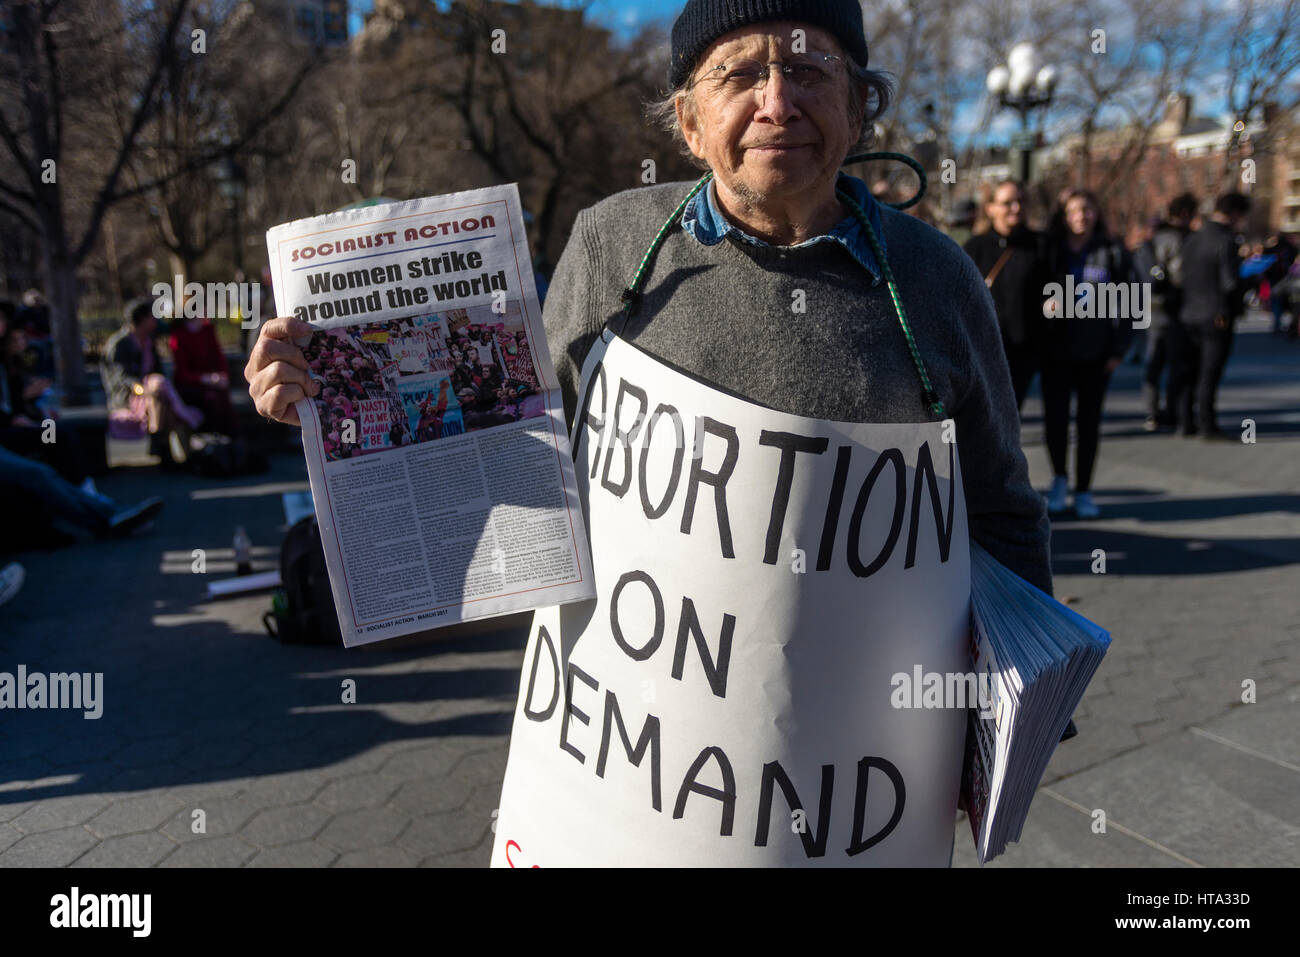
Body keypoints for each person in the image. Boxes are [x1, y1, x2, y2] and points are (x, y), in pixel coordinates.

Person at [245, 0, 1053, 866]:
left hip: (846, 808)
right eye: (740, 73)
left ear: (859, 109)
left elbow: (999, 512)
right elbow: (517, 451)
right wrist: (331, 409)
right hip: (629, 784)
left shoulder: (937, 279)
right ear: (689, 122)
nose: (778, 101)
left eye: (811, 69)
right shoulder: (612, 243)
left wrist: (1011, 723)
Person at [1040, 188, 1135, 519]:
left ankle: (1084, 490)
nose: (1082, 215)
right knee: (1055, 421)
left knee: (1089, 424)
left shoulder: (1112, 251)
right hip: (1056, 353)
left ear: (1097, 213)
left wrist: (1119, 349)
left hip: (1097, 355)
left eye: (1088, 209)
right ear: (1064, 216)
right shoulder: (1050, 250)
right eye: (1075, 210)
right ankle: (1059, 480)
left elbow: (1130, 301)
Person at [1168, 192, 1251, 439]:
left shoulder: (1192, 239)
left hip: (1188, 313)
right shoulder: (1225, 241)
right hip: (1216, 315)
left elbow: (1180, 276)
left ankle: (1185, 422)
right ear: (1236, 213)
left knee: (1188, 371)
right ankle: (1207, 424)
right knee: (1209, 372)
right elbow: (1229, 282)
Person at [962, 180, 1050, 411]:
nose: (1016, 208)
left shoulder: (1040, 245)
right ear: (990, 208)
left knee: (1009, 411)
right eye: (1007, 203)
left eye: (1021, 201)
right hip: (983, 347)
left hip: (1023, 348)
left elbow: (1053, 287)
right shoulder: (974, 248)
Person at [102, 297, 203, 465]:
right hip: (127, 396)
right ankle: (164, 447)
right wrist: (141, 389)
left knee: (158, 395)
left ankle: (162, 445)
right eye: (152, 316)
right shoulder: (119, 344)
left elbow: (157, 370)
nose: (156, 320)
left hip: (151, 394)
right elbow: (120, 379)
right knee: (158, 395)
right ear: (141, 319)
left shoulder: (149, 341)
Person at [1133, 193, 1197, 431]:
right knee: (1171, 361)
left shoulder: (1154, 241)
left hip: (1153, 306)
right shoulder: (1176, 239)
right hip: (1169, 307)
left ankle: (1153, 412)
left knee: (1156, 361)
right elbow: (1180, 273)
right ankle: (1170, 410)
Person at [169, 311, 236, 435]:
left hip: (211, 380)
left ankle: (231, 440)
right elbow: (182, 373)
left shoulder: (207, 330)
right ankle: (210, 439)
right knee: (210, 399)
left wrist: (222, 375)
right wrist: (204, 378)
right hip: (190, 385)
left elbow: (218, 357)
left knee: (222, 397)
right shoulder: (178, 335)